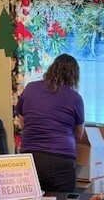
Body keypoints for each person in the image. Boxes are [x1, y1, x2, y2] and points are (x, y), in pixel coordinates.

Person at [15, 53, 85, 192]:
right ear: (74, 76)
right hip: (61, 158)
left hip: (30, 157)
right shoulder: (75, 98)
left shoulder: (30, 88)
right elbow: (79, 134)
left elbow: (23, 122)